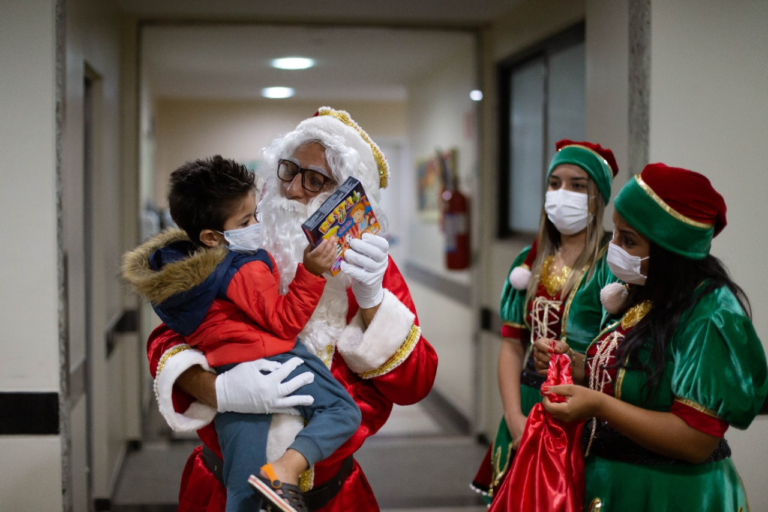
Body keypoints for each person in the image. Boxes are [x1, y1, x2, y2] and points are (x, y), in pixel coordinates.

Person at [145, 107, 438, 511]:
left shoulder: (371, 270)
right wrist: (220, 390)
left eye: (315, 179)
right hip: (220, 482)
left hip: (329, 497)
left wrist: (372, 302)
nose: (294, 190)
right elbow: (165, 338)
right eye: (288, 171)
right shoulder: (233, 241)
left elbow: (415, 383)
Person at [123, 156, 362, 511]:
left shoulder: (187, 271)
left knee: (243, 482)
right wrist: (311, 272)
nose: (256, 224)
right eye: (246, 220)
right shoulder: (243, 266)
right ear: (211, 236)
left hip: (230, 371)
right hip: (276, 358)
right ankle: (285, 469)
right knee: (343, 413)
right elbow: (284, 322)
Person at [536, 163, 768, 511]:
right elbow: (638, 376)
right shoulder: (646, 293)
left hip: (671, 496)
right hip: (616, 486)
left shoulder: (710, 315)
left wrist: (599, 405)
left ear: (668, 250)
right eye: (615, 233)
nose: (614, 247)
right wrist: (575, 364)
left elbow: (696, 439)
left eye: (628, 240)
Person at [472, 140, 619, 502]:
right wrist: (512, 417)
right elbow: (511, 344)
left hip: (584, 412)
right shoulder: (527, 262)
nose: (561, 193)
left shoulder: (611, 265)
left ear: (597, 196)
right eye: (554, 184)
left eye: (577, 185)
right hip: (526, 405)